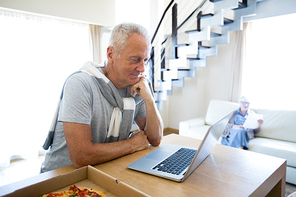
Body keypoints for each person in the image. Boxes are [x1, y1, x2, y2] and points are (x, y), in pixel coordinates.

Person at [40, 22, 163, 173]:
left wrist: (149, 99)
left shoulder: (139, 87)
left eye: (145, 60)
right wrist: (131, 145)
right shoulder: (80, 84)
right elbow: (81, 157)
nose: (142, 68)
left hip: (104, 170)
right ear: (111, 54)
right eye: (134, 60)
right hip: (62, 176)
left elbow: (155, 139)